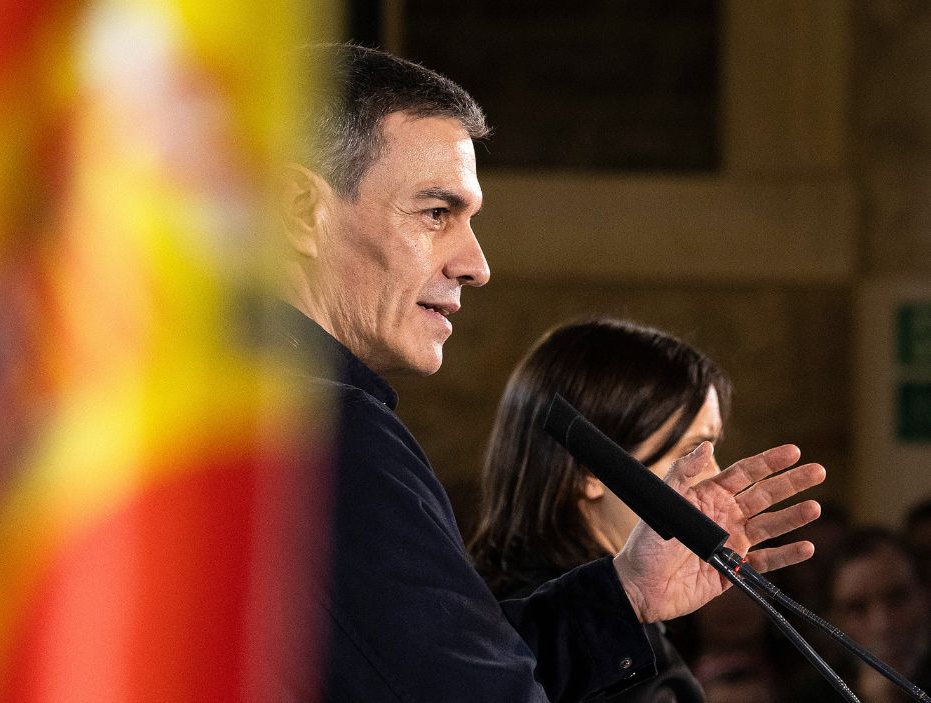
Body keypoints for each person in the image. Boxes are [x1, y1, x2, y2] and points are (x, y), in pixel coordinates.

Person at [274, 43, 825, 701]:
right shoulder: (322, 430)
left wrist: (626, 594)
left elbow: (444, 670)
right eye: (435, 213)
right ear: (301, 210)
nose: (475, 264)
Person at [468, 318, 732, 701]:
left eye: (712, 450)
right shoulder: (580, 634)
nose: (714, 475)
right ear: (590, 470)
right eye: (691, 452)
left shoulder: (489, 601)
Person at [784, 528, 931, 702]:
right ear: (832, 619)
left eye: (897, 598)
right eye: (857, 609)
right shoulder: (810, 696)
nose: (883, 625)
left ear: (925, 595)